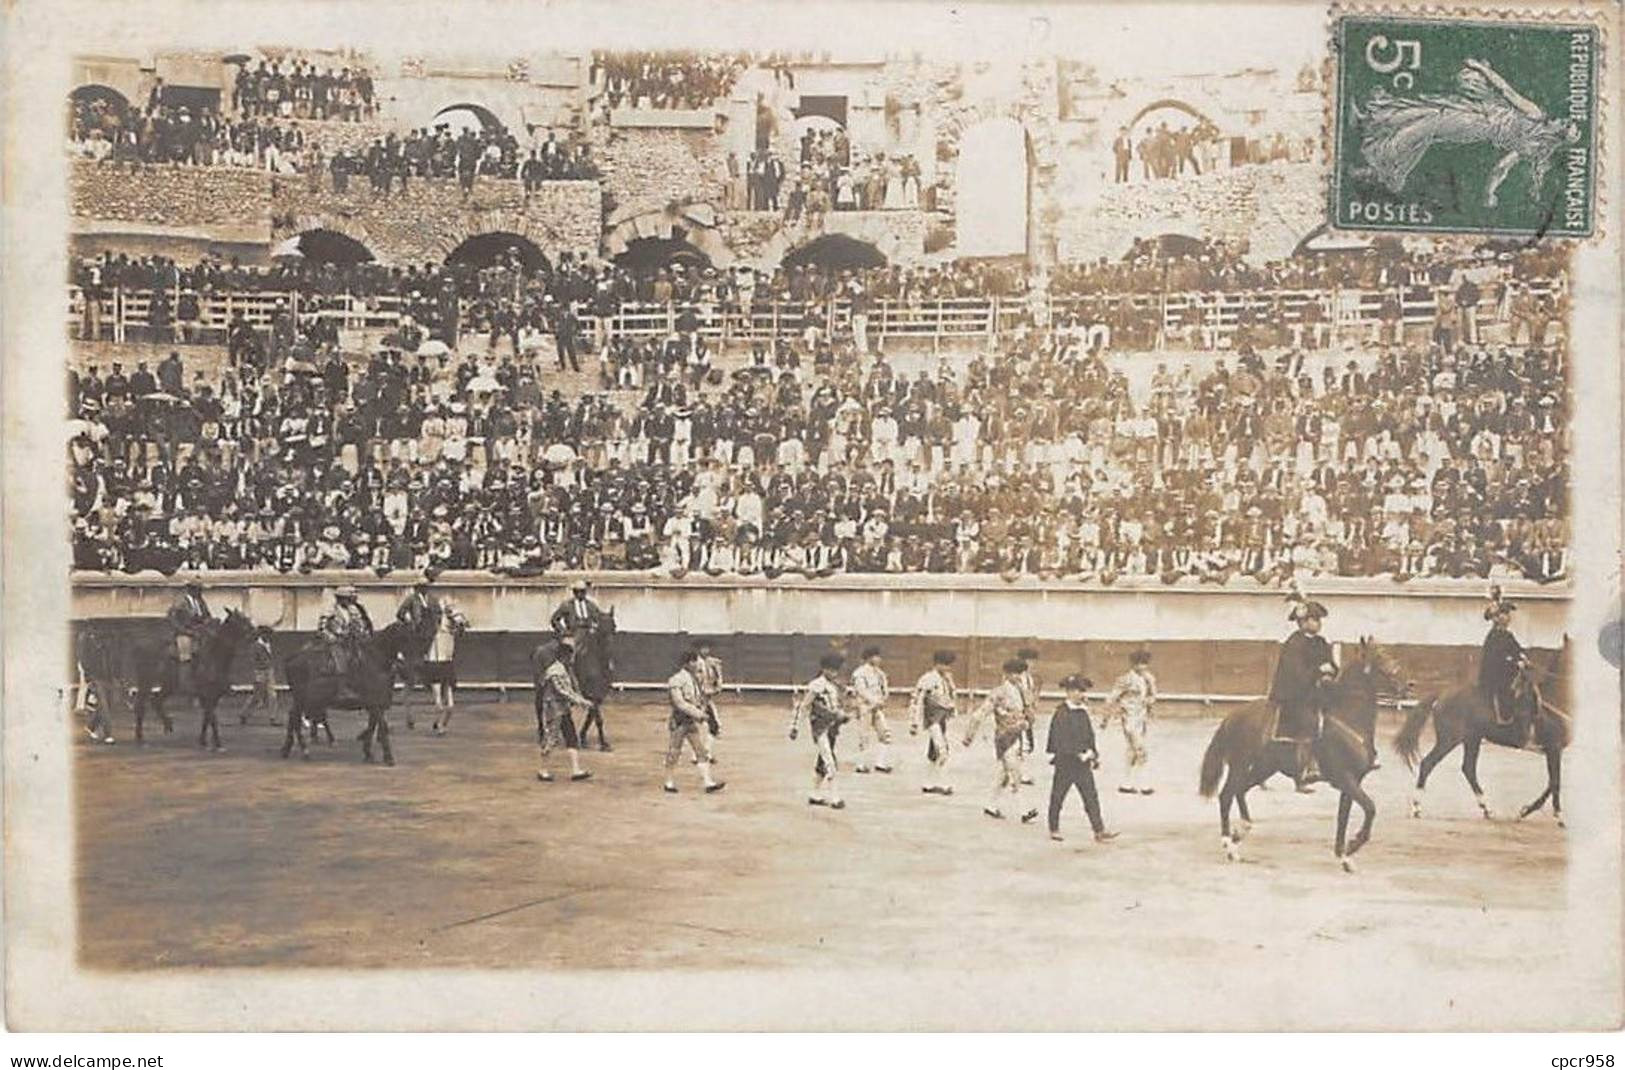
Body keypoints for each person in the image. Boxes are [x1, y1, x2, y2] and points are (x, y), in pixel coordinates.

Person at [1268, 593, 1337, 791]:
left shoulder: (1322, 642)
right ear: (1302, 622)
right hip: (1294, 695)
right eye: (1314, 619)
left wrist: (1331, 671)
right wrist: (1318, 672)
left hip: (1317, 691)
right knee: (1309, 723)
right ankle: (1305, 770)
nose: (1318, 623)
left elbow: (1331, 664)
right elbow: (1295, 673)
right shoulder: (1294, 643)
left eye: (1319, 619)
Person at [1046, 674, 1118, 844]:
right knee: (1058, 796)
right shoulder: (1061, 713)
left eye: (1083, 691)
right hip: (1066, 763)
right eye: (1078, 691)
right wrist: (1078, 754)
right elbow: (1059, 740)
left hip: (1083, 763)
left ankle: (1099, 830)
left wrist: (1093, 753)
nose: (1082, 694)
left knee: (1091, 796)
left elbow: (1089, 736)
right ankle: (1054, 828)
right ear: (1069, 692)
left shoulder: (1082, 712)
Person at [963, 658, 1037, 823]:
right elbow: (980, 714)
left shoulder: (1022, 691)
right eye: (1014, 673)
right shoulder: (998, 693)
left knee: (1004, 776)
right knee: (1015, 772)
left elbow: (1029, 713)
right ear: (1006, 674)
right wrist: (970, 735)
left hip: (1018, 736)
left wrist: (1029, 721)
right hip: (1004, 737)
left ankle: (990, 805)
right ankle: (1024, 810)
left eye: (1020, 673)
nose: (1017, 676)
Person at [789, 653, 849, 809]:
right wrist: (795, 727)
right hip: (820, 728)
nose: (835, 673)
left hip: (832, 728)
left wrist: (842, 716)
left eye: (836, 670)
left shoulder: (834, 686)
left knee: (822, 761)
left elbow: (835, 708)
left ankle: (814, 794)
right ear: (824, 669)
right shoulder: (816, 685)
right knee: (830, 761)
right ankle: (835, 798)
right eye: (832, 670)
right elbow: (804, 706)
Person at [664, 648, 725, 794]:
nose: (697, 664)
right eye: (694, 661)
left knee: (701, 751)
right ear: (687, 663)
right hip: (679, 722)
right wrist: (699, 714)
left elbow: (700, 698)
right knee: (674, 752)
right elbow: (680, 703)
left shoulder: (695, 680)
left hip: (690, 722)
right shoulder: (676, 680)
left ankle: (708, 782)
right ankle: (669, 782)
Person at [535, 636, 592, 784]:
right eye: (570, 656)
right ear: (564, 656)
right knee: (551, 739)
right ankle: (543, 770)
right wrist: (582, 701)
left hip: (562, 709)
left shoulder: (560, 669)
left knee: (571, 737)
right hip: (555, 710)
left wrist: (580, 701)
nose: (571, 659)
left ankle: (576, 770)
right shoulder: (556, 671)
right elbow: (563, 691)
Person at [1104, 649, 1158, 795]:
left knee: (1132, 751)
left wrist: (1149, 702)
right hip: (1129, 719)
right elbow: (1111, 698)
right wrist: (1106, 717)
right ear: (1133, 664)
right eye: (1140, 664)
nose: (1143, 667)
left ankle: (1126, 783)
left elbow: (1153, 696)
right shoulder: (1125, 679)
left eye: (1145, 664)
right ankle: (1143, 784)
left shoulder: (1149, 679)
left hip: (1142, 719)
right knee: (1141, 750)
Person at [1479, 587, 1530, 740]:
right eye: (1504, 614)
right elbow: (1497, 659)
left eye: (1508, 614)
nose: (1508, 617)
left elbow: (1515, 649)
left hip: (1505, 671)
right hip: (1494, 674)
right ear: (1497, 618)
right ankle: (1503, 721)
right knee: (1507, 691)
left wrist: (1523, 657)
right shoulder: (1494, 636)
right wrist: (1516, 664)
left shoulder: (1507, 634)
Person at [909, 649, 958, 795]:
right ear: (937, 664)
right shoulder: (927, 679)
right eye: (945, 665)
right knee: (942, 751)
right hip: (932, 718)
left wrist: (952, 711)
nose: (948, 668)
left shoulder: (947, 678)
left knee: (934, 753)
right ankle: (943, 784)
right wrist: (914, 722)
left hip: (941, 719)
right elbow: (917, 699)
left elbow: (951, 697)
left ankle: (928, 784)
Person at [848, 645, 894, 774]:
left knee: (885, 734)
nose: (879, 659)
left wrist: (883, 699)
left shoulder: (880, 673)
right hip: (864, 707)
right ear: (869, 658)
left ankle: (880, 763)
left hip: (877, 708)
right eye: (876, 656)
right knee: (864, 736)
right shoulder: (859, 673)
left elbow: (884, 689)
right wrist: (875, 701)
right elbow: (861, 691)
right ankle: (861, 765)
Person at [165, 579, 213, 691]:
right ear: (191, 590)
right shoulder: (181, 602)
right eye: (198, 589)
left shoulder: (201, 602)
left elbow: (207, 615)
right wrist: (183, 630)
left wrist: (206, 623)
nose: (200, 592)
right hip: (184, 633)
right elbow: (171, 617)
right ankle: (185, 682)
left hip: (200, 632)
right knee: (186, 655)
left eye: (200, 590)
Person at [319, 585, 374, 675]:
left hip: (353, 641)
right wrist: (332, 637)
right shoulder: (330, 610)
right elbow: (322, 629)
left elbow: (360, 625)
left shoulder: (355, 610)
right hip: (336, 643)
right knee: (341, 666)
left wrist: (363, 633)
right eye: (349, 598)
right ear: (341, 598)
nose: (352, 601)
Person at [694, 638, 725, 759]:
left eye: (707, 647)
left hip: (707, 700)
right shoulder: (694, 663)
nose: (705, 650)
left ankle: (704, 753)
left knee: (713, 727)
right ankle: (700, 753)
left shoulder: (714, 663)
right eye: (703, 648)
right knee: (698, 727)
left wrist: (717, 686)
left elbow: (718, 681)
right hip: (696, 700)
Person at [242, 625, 279, 726]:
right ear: (263, 635)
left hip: (269, 671)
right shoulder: (256, 646)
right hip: (260, 672)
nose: (269, 637)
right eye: (268, 635)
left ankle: (273, 718)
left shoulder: (267, 644)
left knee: (272, 695)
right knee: (256, 696)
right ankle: (244, 714)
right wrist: (257, 675)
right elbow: (253, 661)